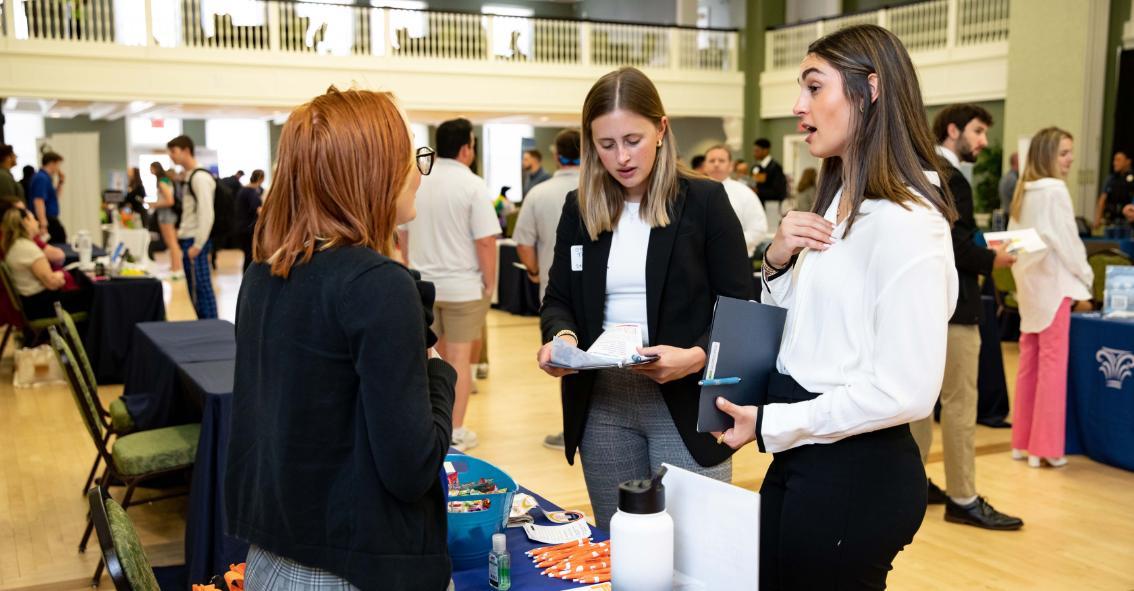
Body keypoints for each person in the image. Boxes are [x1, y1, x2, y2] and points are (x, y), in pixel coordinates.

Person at [711, 25, 959, 589]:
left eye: (814, 87)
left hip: (855, 470)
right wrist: (777, 263)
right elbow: (805, 332)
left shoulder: (908, 224)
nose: (798, 106)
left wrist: (774, 422)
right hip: (806, 453)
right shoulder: (843, 202)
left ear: (870, 89)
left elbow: (906, 392)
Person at [226, 87, 457, 591]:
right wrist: (439, 372)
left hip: (273, 556)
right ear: (373, 170)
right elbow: (412, 468)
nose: (418, 173)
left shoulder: (264, 274)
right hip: (351, 570)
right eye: (409, 157)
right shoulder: (376, 286)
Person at [537, 67, 754, 530]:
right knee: (622, 541)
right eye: (606, 144)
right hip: (604, 402)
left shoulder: (705, 201)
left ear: (661, 130)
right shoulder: (580, 207)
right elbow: (558, 298)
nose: (621, 157)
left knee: (696, 546)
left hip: (687, 398)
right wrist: (563, 339)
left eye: (633, 140)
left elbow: (741, 307)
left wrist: (695, 357)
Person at [908, 104, 1022, 530]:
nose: (983, 141)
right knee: (959, 404)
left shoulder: (918, 169)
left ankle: (913, 485)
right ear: (953, 130)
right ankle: (963, 497)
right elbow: (953, 245)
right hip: (954, 307)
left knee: (920, 404)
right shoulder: (949, 176)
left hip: (923, 306)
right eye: (978, 131)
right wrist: (993, 259)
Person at [403, 117, 500, 452]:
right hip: (463, 287)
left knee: (432, 358)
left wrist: (408, 270)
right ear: (466, 149)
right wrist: (490, 283)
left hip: (422, 285)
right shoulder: (472, 184)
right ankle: (455, 430)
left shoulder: (419, 179)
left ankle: (436, 427)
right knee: (459, 359)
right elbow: (485, 241)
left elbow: (402, 233)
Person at [1008, 126, 1093, 469]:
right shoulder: (1055, 190)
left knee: (1029, 364)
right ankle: (1045, 447)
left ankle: (1022, 441)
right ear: (1047, 156)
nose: (1070, 159)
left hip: (1030, 288)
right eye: (1064, 153)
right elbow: (1068, 242)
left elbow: (1013, 243)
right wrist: (1087, 276)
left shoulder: (1023, 191)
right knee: (1052, 367)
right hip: (1054, 288)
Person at [513, 128, 582, 451]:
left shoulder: (538, 193)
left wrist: (535, 271)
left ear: (556, 156)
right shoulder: (604, 188)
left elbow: (523, 243)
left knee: (563, 359)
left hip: (556, 293)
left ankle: (572, 430)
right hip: (597, 291)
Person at [0, 207, 91, 320]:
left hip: (32, 304)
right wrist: (60, 275)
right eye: (33, 219)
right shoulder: (28, 249)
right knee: (92, 295)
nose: (37, 222)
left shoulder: (14, 246)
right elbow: (52, 283)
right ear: (25, 222)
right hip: (41, 306)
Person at [167, 135, 218, 319]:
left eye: (174, 151)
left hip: (195, 241)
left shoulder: (200, 177)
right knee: (195, 291)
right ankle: (205, 326)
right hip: (189, 240)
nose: (171, 156)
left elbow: (206, 213)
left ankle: (211, 328)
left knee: (202, 290)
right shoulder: (190, 176)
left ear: (186, 150)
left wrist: (198, 244)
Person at [702, 144, 768, 256]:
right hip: (699, 260)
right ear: (704, 165)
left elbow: (758, 229)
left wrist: (726, 243)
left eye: (721, 160)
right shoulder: (693, 192)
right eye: (712, 161)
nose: (716, 164)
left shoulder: (745, 193)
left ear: (731, 166)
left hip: (737, 257)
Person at [149, 162, 184, 280]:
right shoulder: (166, 180)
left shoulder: (162, 181)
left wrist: (154, 204)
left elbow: (170, 201)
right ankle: (175, 266)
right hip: (168, 215)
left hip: (166, 215)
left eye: (151, 168)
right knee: (172, 243)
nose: (150, 171)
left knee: (171, 242)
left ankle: (176, 269)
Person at [29, 152, 67, 243]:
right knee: (58, 240)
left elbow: (54, 197)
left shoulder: (46, 178)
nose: (58, 168)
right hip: (47, 218)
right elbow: (38, 201)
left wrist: (60, 182)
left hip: (50, 217)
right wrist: (43, 224)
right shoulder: (41, 178)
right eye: (58, 165)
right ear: (51, 163)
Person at [751, 137, 787, 228]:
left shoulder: (775, 168)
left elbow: (779, 191)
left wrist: (758, 191)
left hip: (771, 206)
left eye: (757, 150)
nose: (754, 153)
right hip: (759, 206)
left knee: (771, 231)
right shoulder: (757, 167)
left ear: (766, 150)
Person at [235, 169, 265, 272]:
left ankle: (247, 277)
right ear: (261, 178)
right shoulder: (250, 192)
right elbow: (257, 209)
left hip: (243, 227)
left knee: (248, 255)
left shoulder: (245, 190)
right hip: (248, 228)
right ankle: (248, 278)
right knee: (250, 256)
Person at [1095, 150, 1133, 230]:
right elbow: (1102, 200)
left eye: (1118, 160)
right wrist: (1097, 219)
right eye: (1114, 160)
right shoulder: (1110, 179)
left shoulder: (1132, 179)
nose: (1115, 163)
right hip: (1111, 222)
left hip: (1128, 224)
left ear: (1127, 161)